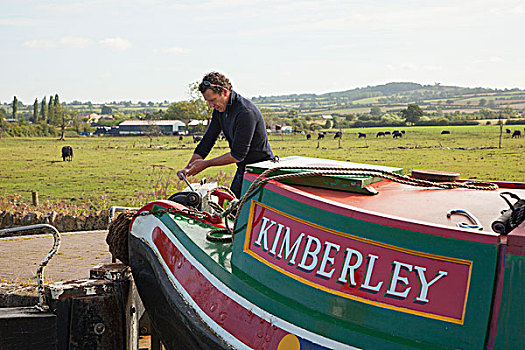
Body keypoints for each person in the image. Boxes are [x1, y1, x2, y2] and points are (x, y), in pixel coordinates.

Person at [177, 72, 274, 198]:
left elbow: (237, 155)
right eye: (208, 102)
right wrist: (188, 168)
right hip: (243, 170)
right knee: (233, 210)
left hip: (261, 172)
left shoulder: (245, 112)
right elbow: (207, 141)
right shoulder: (220, 111)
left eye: (213, 100)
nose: (211, 105)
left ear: (224, 92)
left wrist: (206, 164)